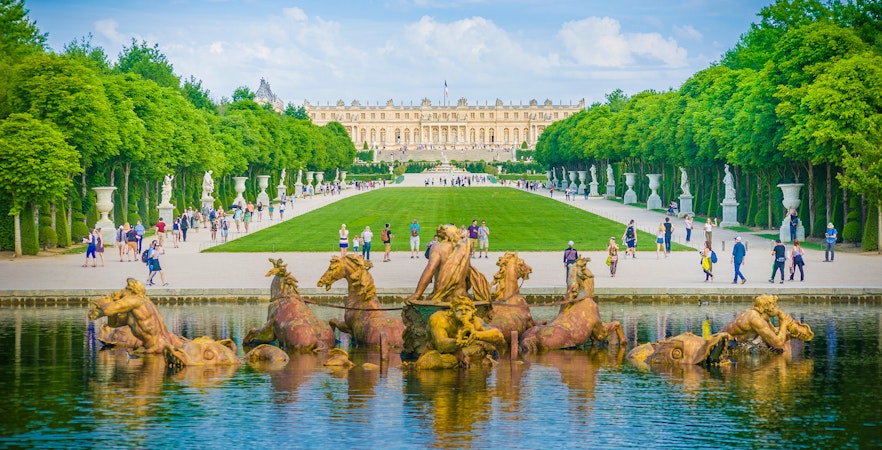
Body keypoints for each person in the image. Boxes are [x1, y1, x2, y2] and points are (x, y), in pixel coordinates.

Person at [407, 225, 478, 303]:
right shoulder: (464, 248)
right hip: (462, 295)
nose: (459, 233)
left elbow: (430, 269)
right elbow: (468, 274)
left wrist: (417, 294)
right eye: (456, 232)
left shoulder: (438, 248)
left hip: (443, 297)